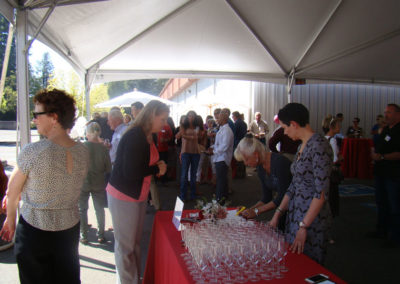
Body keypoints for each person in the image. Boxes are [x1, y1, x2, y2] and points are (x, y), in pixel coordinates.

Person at [0, 89, 89, 284]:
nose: (34, 120)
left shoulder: (34, 151)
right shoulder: (83, 151)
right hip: (69, 229)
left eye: (37, 114)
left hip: (35, 231)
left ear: (54, 117)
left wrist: (10, 220)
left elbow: (11, 192)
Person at [106, 100, 168, 284]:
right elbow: (131, 172)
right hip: (124, 195)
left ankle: (133, 279)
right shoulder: (136, 135)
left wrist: (156, 167)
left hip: (137, 194)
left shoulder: (146, 134)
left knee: (133, 244)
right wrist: (156, 169)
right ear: (151, 115)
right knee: (126, 247)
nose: (164, 123)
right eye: (162, 119)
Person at [269, 103, 333, 264]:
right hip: (296, 215)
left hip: (312, 220)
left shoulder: (319, 146)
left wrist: (304, 226)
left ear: (294, 124)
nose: (285, 132)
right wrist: (278, 212)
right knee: (294, 263)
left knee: (309, 265)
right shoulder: (301, 145)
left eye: (284, 127)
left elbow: (321, 192)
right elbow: (293, 186)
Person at [235, 134, 292, 230]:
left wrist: (257, 211)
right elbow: (266, 197)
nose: (246, 164)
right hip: (283, 209)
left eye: (247, 159)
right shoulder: (261, 167)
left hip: (295, 208)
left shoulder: (279, 163)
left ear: (256, 154)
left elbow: (283, 196)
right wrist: (250, 210)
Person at [370, 103, 400, 247]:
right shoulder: (386, 129)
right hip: (381, 172)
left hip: (394, 174)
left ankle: (395, 237)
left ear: (397, 114)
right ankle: (382, 230)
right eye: (385, 112)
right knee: (381, 203)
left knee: (395, 206)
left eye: (389, 112)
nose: (386, 115)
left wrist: (382, 157)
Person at [79, 122, 112, 245]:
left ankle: (84, 236)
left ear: (87, 133)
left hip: (83, 182)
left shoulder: (81, 147)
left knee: (82, 209)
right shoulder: (104, 149)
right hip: (99, 182)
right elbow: (108, 168)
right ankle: (101, 235)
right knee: (99, 209)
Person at [208, 109, 234, 203]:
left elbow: (225, 146)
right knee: (222, 181)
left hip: (222, 159)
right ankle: (224, 199)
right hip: (219, 158)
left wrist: (213, 151)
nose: (216, 120)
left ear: (223, 119)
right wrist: (211, 148)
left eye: (218, 118)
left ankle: (219, 201)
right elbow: (218, 143)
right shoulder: (222, 129)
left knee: (220, 181)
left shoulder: (227, 130)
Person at [176, 111, 201, 201]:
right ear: (187, 116)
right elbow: (182, 135)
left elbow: (198, 136)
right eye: (190, 115)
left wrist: (189, 136)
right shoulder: (183, 125)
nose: (191, 117)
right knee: (184, 174)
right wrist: (192, 137)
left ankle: (192, 195)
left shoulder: (197, 126)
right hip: (185, 151)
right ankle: (183, 195)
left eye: (193, 116)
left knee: (193, 174)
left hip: (195, 152)